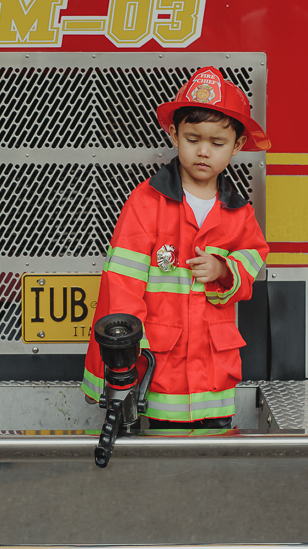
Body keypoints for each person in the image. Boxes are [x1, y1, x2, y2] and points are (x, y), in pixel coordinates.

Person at [82, 66, 270, 429]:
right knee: (160, 463)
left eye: (217, 143)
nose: (203, 152)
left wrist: (223, 271)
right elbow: (122, 283)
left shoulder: (239, 211)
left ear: (238, 145)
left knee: (215, 461)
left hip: (214, 377)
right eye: (192, 138)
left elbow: (253, 256)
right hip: (159, 375)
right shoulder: (145, 203)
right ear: (173, 134)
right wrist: (121, 352)